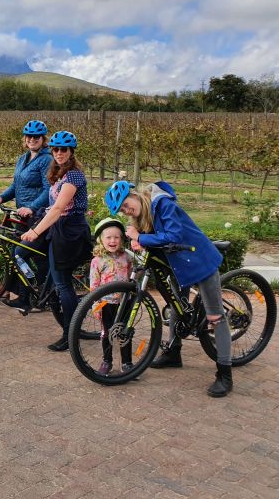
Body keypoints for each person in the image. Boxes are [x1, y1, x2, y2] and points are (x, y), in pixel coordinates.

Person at [105, 180, 231, 397]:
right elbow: (157, 238)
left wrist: (140, 237)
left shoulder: (163, 204)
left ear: (134, 195)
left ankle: (225, 374)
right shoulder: (144, 215)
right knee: (175, 305)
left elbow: (174, 235)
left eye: (126, 204)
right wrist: (141, 241)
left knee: (215, 317)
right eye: (123, 210)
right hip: (179, 264)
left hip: (199, 260)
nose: (127, 210)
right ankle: (173, 353)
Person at [20, 131, 92, 352]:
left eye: (64, 149)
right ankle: (36, 295)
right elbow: (52, 206)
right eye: (56, 149)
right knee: (24, 253)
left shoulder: (74, 176)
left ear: (71, 152)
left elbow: (60, 208)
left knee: (62, 284)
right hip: (58, 229)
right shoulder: (59, 173)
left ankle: (70, 335)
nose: (59, 153)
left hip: (70, 232)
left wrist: (35, 230)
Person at [0, 119, 52, 308]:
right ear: (25, 139)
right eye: (29, 136)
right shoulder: (22, 158)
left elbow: (48, 189)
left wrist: (32, 207)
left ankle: (42, 296)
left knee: (28, 255)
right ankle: (27, 294)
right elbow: (16, 185)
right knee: (19, 254)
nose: (32, 139)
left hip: (38, 215)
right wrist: (2, 197)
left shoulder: (47, 159)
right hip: (22, 215)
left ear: (43, 139)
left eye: (36, 137)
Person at [89, 217, 134, 375]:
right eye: (108, 237)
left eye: (117, 237)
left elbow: (132, 279)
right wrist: (96, 306)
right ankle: (107, 361)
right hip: (106, 304)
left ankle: (127, 363)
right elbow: (94, 286)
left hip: (124, 303)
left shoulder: (127, 257)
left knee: (124, 332)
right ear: (101, 239)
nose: (113, 240)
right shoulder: (97, 261)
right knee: (106, 333)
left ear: (121, 239)